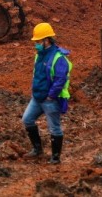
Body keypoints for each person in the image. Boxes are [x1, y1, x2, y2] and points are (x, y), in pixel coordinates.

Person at [22, 22, 72, 165]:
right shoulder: (39, 55)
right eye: (36, 41)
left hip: (50, 100)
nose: (36, 44)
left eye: (38, 41)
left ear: (47, 40)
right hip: (37, 97)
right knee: (27, 119)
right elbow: (37, 74)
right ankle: (37, 149)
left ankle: (56, 158)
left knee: (54, 128)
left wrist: (51, 95)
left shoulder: (58, 57)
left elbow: (60, 79)